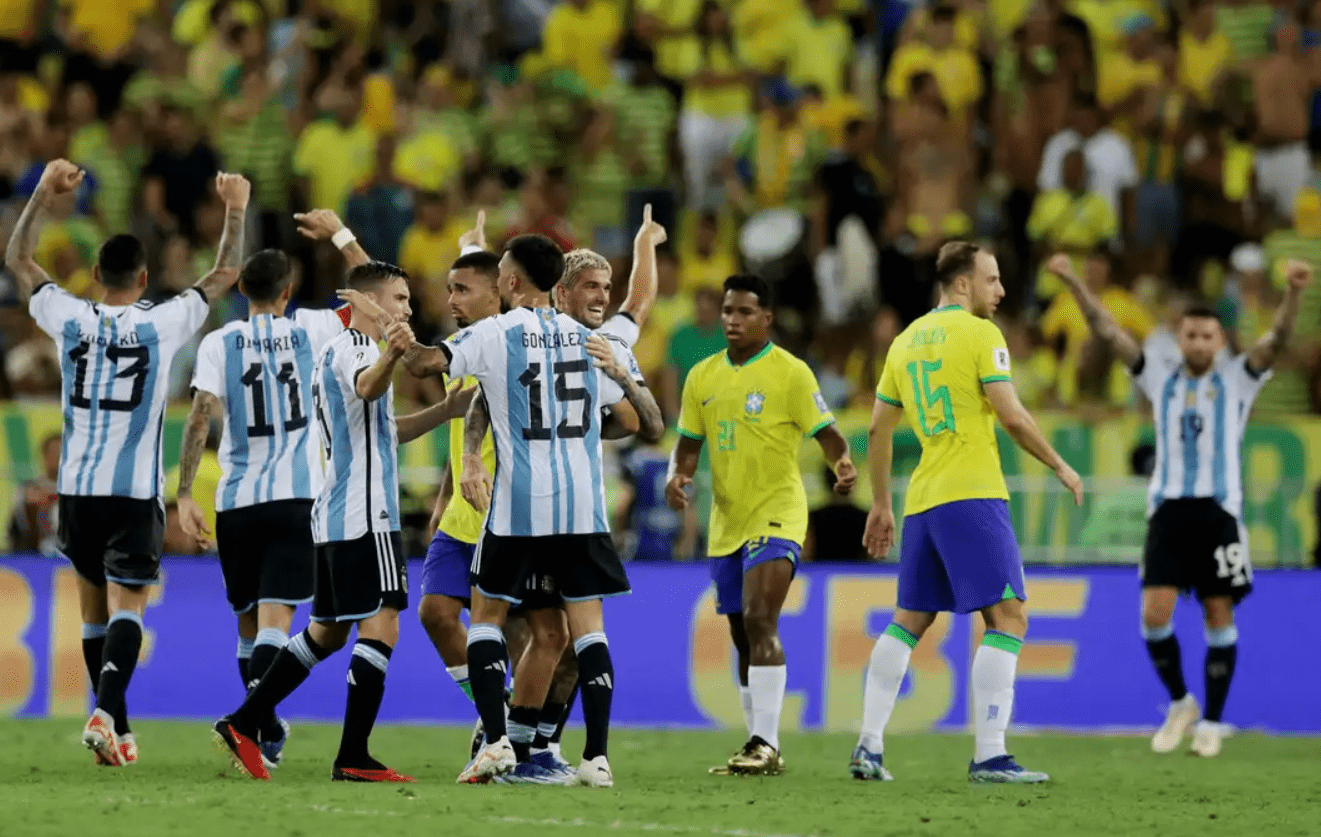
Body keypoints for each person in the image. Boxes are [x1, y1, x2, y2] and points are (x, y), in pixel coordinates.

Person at [5, 159, 242, 767]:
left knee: (92, 608)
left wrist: (39, 196)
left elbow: (18, 261)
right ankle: (107, 714)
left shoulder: (70, 316)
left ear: (94, 275)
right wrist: (236, 208)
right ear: (143, 277)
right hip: (134, 491)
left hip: (77, 489)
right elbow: (224, 275)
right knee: (129, 605)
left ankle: (118, 725)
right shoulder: (162, 321)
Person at [421, 211, 665, 783]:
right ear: (563, 287)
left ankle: (523, 743)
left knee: (538, 632)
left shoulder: (508, 335)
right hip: (570, 508)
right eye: (592, 287)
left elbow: (454, 374)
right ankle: (547, 745)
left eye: (608, 287)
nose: (603, 297)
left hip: (519, 507)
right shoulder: (599, 343)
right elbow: (643, 417)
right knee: (561, 631)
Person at [211, 260, 467, 782]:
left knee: (325, 634)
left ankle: (244, 721)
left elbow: (382, 428)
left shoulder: (343, 352)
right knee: (384, 622)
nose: (408, 309)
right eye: (399, 299)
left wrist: (446, 410)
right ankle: (352, 755)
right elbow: (370, 388)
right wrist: (394, 351)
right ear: (369, 302)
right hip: (365, 514)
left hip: (336, 513)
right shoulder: (356, 348)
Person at [1046, 252, 1309, 758]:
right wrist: (1076, 283)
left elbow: (1275, 341)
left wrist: (1293, 293)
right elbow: (1107, 332)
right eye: (1190, 335)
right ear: (1179, 339)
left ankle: (1212, 719)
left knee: (1217, 613)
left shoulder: (1238, 379)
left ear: (1221, 342)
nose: (1198, 343)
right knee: (1154, 615)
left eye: (1208, 336)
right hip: (1167, 511)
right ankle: (1180, 702)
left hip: (1218, 512)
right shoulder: (1159, 377)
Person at [854, 241, 1082, 784]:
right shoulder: (981, 334)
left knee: (909, 620)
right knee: (1008, 617)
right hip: (973, 492)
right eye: (992, 280)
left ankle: (868, 746)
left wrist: (882, 503)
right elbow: (1011, 413)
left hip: (924, 501)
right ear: (962, 283)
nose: (1000, 291)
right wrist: (1059, 465)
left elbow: (875, 429)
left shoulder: (905, 342)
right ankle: (991, 754)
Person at [665, 273, 856, 776]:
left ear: (766, 319)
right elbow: (687, 445)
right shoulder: (702, 377)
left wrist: (843, 465)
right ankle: (758, 746)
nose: (732, 320)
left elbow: (829, 433)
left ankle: (765, 743)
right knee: (740, 631)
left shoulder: (791, 373)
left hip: (778, 511)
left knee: (757, 617)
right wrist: (678, 477)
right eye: (728, 311)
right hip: (726, 520)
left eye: (744, 312)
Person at [175, 245, 348, 768]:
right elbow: (369, 301)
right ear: (288, 292)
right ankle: (256, 724)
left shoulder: (218, 342)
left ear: (241, 292)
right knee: (276, 623)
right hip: (296, 498)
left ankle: (263, 732)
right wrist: (338, 237)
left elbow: (200, 415)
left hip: (237, 501)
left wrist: (185, 493)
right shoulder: (314, 329)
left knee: (248, 625)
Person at [7, 432, 61, 554]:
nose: (58, 458)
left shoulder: (77, 492)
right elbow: (19, 526)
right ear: (44, 455)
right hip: (34, 555)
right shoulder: (28, 489)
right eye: (55, 452)